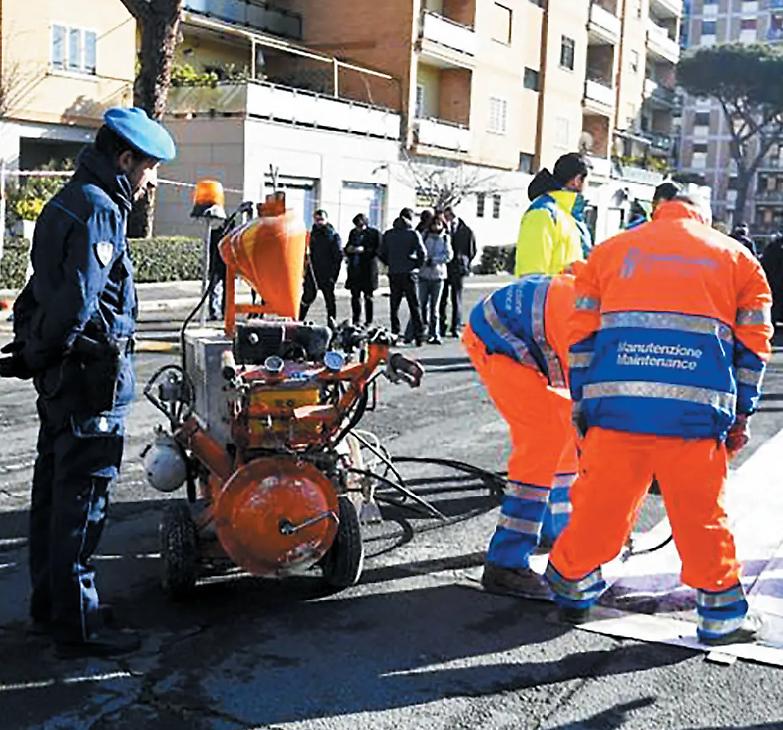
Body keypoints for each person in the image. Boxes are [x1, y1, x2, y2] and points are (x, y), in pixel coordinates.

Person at [546, 195, 774, 646]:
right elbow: (754, 346)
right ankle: (721, 615)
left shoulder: (609, 252)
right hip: (695, 415)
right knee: (701, 515)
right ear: (704, 217)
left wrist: (583, 403)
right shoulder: (737, 258)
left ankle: (572, 585)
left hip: (616, 409)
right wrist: (741, 413)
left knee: (601, 505)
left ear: (658, 211)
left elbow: (581, 336)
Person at [0, 108, 176, 657]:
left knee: (52, 498)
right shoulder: (101, 209)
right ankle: (80, 624)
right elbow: (77, 303)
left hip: (62, 379)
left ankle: (50, 609)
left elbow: (38, 291)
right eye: (148, 168)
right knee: (83, 503)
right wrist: (41, 352)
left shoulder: (65, 201)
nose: (150, 181)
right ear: (124, 160)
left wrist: (31, 353)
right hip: (90, 380)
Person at [463, 272, 578, 597]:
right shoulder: (600, 333)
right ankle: (506, 564)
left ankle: (558, 532)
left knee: (568, 433)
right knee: (542, 442)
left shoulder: (621, 318)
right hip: (499, 341)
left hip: (527, 333)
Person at [515, 152, 592, 276]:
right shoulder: (543, 213)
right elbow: (531, 276)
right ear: (577, 180)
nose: (589, 187)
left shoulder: (570, 216)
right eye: (589, 181)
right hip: (553, 290)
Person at [379, 208, 427, 346]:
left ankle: (395, 332)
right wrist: (416, 265)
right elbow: (422, 253)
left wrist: (390, 263)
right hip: (409, 272)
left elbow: (381, 253)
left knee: (394, 305)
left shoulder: (389, 234)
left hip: (394, 272)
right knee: (414, 305)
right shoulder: (413, 234)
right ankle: (419, 335)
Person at [299, 209, 343, 327]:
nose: (319, 222)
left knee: (329, 300)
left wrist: (334, 275)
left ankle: (331, 322)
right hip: (313, 273)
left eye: (321, 219)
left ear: (326, 220)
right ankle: (298, 320)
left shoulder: (333, 236)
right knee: (307, 297)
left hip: (327, 274)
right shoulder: (311, 235)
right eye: (317, 219)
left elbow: (338, 257)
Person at [440, 206, 477, 338]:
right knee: (442, 299)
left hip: (458, 267)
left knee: (456, 298)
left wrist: (465, 261)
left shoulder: (466, 230)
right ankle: (441, 326)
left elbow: (472, 250)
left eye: (448, 216)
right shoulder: (442, 229)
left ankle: (455, 326)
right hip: (444, 267)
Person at [417, 215, 453, 344]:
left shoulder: (445, 238)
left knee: (435, 308)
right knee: (422, 305)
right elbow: (419, 251)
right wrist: (424, 260)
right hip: (423, 275)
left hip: (438, 276)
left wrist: (435, 260)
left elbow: (448, 255)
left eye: (439, 224)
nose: (436, 226)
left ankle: (435, 334)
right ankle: (420, 331)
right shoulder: (424, 236)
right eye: (434, 223)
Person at [344, 213, 380, 326]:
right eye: (356, 226)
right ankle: (356, 319)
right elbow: (348, 246)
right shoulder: (353, 233)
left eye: (360, 226)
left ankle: (368, 320)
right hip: (355, 269)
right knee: (355, 296)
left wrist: (364, 250)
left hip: (368, 269)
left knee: (368, 297)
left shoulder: (374, 233)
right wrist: (348, 250)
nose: (358, 229)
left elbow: (378, 250)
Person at [761, 232, 783, 326]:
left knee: (774, 302)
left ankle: (772, 320)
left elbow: (764, 263)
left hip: (772, 280)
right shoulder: (774, 246)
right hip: (776, 279)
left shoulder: (772, 246)